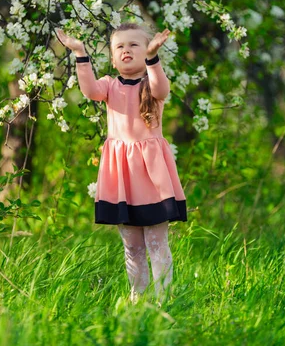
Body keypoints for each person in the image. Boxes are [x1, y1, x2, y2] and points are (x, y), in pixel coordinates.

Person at [56, 23, 187, 304]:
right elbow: (89, 90)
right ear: (113, 59)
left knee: (156, 242)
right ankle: (137, 299)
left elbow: (162, 89)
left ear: (147, 51)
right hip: (121, 176)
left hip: (151, 176)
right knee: (132, 245)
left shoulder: (151, 83)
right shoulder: (109, 85)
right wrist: (80, 52)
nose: (126, 50)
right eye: (120, 47)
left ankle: (165, 300)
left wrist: (153, 58)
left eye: (134, 45)